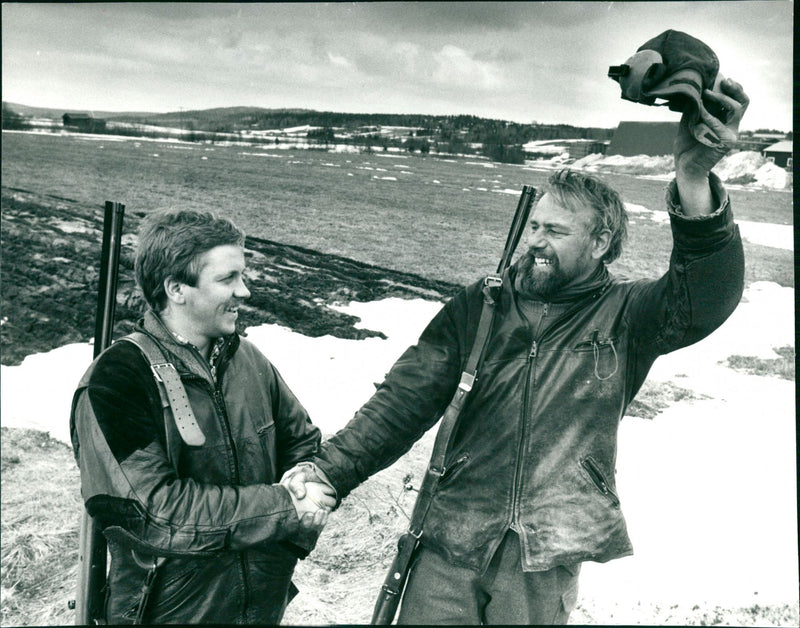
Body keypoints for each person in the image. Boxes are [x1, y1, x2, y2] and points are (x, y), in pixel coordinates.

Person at [283, 79, 749, 624]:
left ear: (600, 244)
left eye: (555, 230)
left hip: (546, 553)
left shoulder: (628, 315)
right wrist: (327, 473)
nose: (535, 241)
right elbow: (401, 404)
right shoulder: (479, 306)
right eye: (533, 226)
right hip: (450, 539)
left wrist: (693, 177)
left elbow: (706, 296)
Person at [70, 210, 335, 624]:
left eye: (242, 276)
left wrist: (301, 500)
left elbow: (302, 445)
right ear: (176, 288)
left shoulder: (248, 359)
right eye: (228, 279)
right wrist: (284, 509)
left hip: (261, 607)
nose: (244, 292)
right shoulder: (116, 381)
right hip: (168, 616)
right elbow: (154, 514)